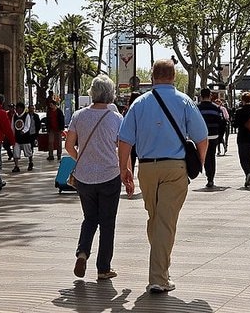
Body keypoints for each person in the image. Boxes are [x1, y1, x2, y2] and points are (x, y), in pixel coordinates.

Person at [118, 59, 208, 294]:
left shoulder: (139, 103)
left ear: (154, 76)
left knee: (157, 219)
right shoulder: (184, 101)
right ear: (174, 76)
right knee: (164, 222)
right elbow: (202, 136)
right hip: (174, 168)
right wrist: (199, 161)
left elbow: (124, 140)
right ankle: (158, 277)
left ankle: (162, 271)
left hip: (147, 168)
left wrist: (123, 168)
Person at [66, 74, 124, 281]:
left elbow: (68, 146)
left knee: (90, 218)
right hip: (109, 175)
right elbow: (123, 148)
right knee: (108, 222)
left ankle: (82, 253)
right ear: (110, 95)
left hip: (84, 177)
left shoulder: (78, 116)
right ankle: (103, 268)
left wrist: (81, 158)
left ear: (92, 93)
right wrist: (126, 171)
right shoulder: (116, 119)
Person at [197, 88, 225, 188]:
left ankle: (207, 174)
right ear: (210, 96)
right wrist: (221, 136)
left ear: (201, 96)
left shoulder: (197, 108)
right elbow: (222, 123)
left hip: (201, 136)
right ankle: (211, 178)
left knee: (203, 156)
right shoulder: (217, 108)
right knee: (211, 157)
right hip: (214, 135)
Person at [232, 92, 250, 188]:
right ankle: (248, 173)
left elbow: (235, 124)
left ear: (242, 100)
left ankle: (247, 173)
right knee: (249, 157)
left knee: (242, 158)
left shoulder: (239, 111)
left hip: (242, 137)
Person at [11, 101, 38, 173]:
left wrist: (23, 131)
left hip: (25, 138)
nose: (17, 110)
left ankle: (30, 162)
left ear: (22, 109)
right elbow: (12, 126)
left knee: (28, 152)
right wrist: (12, 134)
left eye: (19, 108)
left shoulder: (27, 116)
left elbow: (27, 126)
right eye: (17, 108)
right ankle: (16, 166)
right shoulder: (14, 116)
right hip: (17, 138)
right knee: (16, 152)